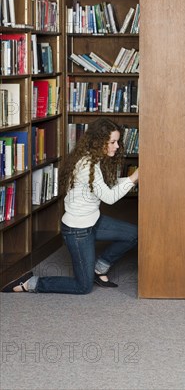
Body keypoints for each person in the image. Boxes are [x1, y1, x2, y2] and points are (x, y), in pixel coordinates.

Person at [2, 118, 139, 294]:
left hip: (93, 220)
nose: (117, 146)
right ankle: (30, 283)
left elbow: (106, 186)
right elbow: (109, 197)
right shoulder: (86, 165)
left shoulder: (94, 159)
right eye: (112, 142)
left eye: (117, 141)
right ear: (99, 142)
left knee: (134, 234)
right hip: (78, 230)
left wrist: (130, 179)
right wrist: (134, 177)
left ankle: (99, 268)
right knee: (83, 287)